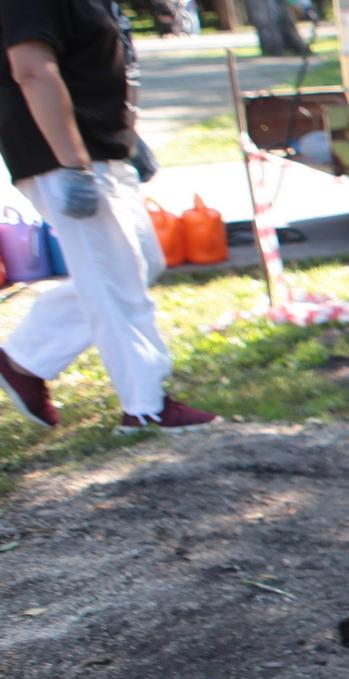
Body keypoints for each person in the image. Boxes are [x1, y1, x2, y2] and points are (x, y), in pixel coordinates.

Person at [0, 0, 218, 433]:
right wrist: (74, 166)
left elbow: (101, 60)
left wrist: (127, 139)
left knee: (138, 263)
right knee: (116, 281)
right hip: (65, 157)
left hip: (101, 149)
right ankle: (145, 407)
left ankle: (24, 359)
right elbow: (32, 70)